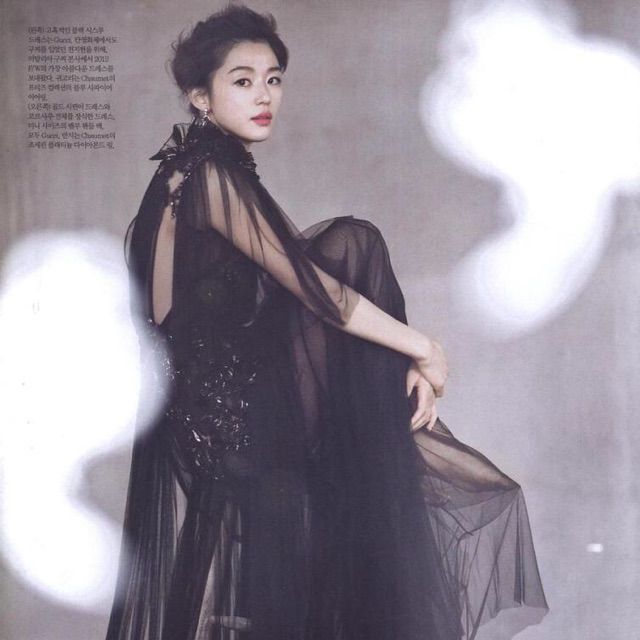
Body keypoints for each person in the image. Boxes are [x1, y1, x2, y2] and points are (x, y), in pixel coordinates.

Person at [105, 5, 549, 640]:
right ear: (200, 96)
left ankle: (380, 493)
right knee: (355, 244)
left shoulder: (198, 168)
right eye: (242, 81)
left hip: (208, 410)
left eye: (273, 79)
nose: (264, 96)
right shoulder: (207, 175)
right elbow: (318, 292)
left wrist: (401, 357)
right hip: (227, 419)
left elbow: (291, 281)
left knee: (348, 263)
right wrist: (425, 350)